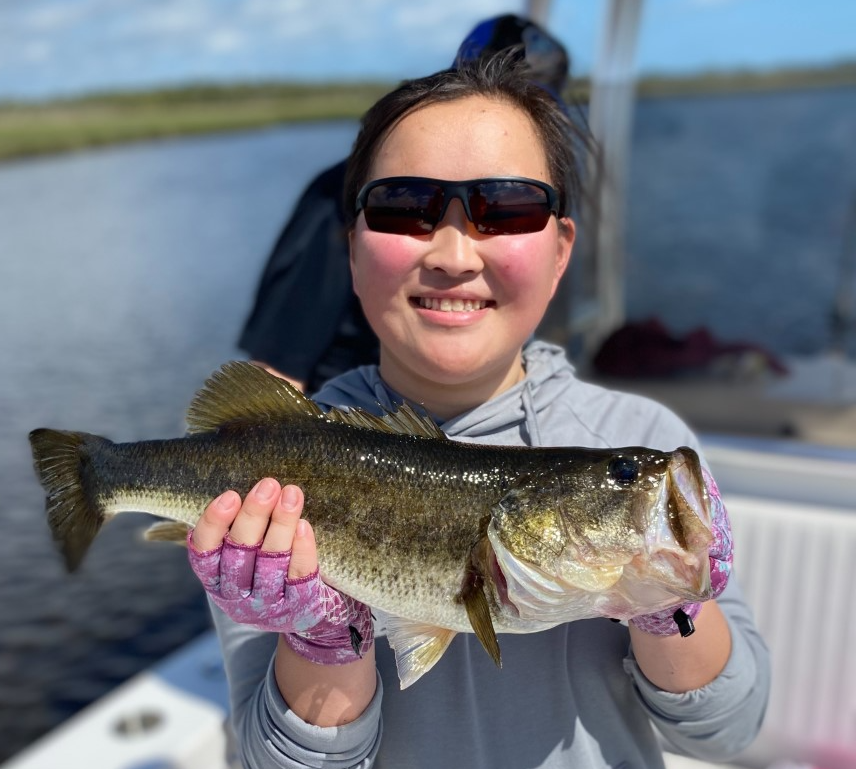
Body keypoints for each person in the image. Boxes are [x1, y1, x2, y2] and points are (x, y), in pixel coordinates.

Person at [188, 53, 770, 769]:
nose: (455, 253)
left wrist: (671, 605)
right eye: (404, 205)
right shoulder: (278, 473)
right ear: (352, 249)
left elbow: (724, 731)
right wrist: (320, 638)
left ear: (561, 251)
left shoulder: (642, 439)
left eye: (508, 207)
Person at [237, 13, 571, 394]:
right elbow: (279, 365)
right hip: (348, 427)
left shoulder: (539, 200)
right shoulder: (346, 195)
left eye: (530, 106)